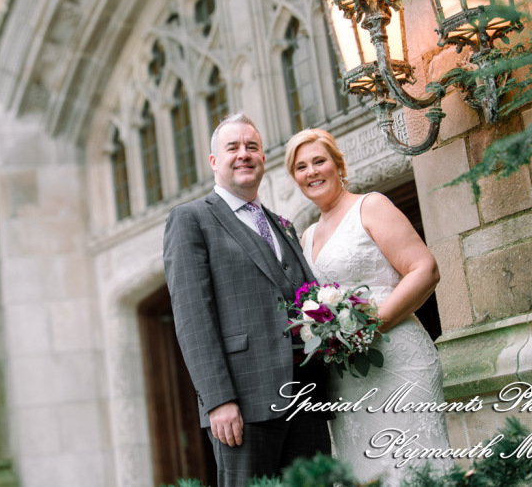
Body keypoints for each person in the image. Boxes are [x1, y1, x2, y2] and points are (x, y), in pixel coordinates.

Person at [163, 113, 331, 487]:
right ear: (213, 161)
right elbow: (192, 317)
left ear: (262, 158)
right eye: (233, 147)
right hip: (243, 404)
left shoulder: (282, 224)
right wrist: (218, 400)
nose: (244, 154)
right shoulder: (190, 220)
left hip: (306, 397)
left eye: (251, 147)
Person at [284, 127, 452, 486]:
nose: (311, 171)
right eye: (301, 167)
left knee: (414, 470)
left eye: (319, 161)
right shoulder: (306, 236)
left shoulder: (371, 206)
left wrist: (371, 325)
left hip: (398, 360)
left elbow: (424, 269)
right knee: (366, 474)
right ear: (295, 178)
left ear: (338, 165)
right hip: (347, 376)